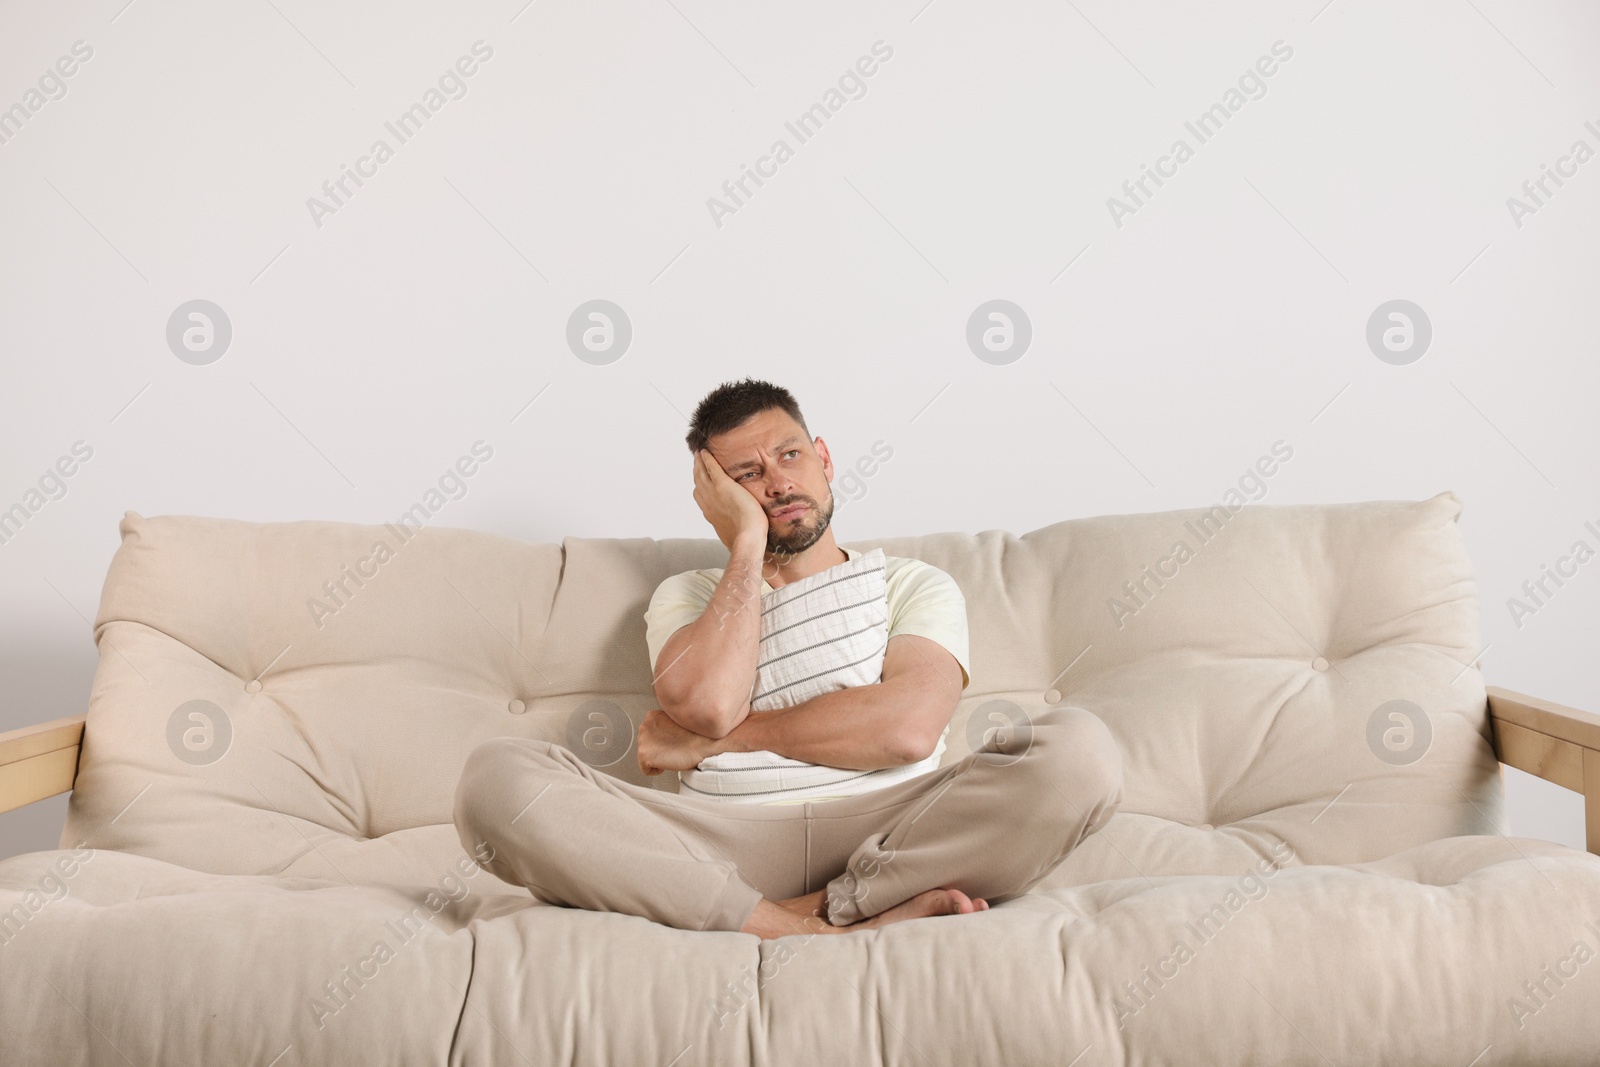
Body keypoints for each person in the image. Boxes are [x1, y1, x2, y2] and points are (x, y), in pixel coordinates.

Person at [454, 378, 1123, 939]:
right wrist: (746, 546)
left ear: (825, 458)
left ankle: (825, 905)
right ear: (719, 498)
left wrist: (720, 742)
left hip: (895, 830)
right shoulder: (685, 596)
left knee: (1082, 753)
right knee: (497, 777)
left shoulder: (913, 584)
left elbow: (906, 728)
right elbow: (710, 703)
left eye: (790, 455)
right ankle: (796, 922)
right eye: (748, 475)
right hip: (716, 842)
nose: (776, 482)